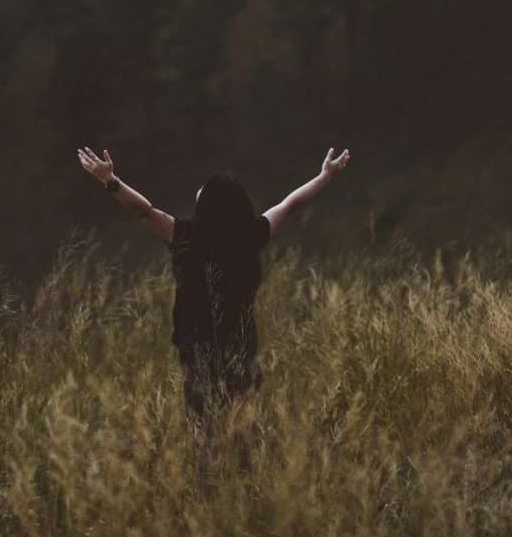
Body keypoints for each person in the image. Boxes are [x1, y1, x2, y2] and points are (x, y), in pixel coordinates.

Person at [76, 145, 351, 491]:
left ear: (205, 203)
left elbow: (144, 212)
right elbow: (291, 204)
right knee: (244, 435)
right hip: (243, 352)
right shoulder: (252, 237)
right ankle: (247, 498)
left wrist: (111, 181)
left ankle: (210, 501)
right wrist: (325, 176)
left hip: (198, 355)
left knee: (205, 439)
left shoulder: (186, 237)